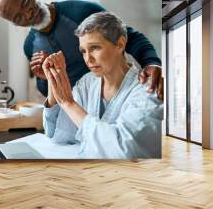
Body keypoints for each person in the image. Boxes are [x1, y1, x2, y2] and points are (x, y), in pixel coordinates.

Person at [0, 0, 163, 100]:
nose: (28, 13)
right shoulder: (29, 46)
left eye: (25, 2)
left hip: (120, 97)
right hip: (78, 113)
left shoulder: (82, 11)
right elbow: (48, 92)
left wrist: (152, 62)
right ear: (15, 24)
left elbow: (129, 37)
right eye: (18, 18)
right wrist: (45, 78)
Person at [42, 12, 163, 159]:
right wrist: (53, 84)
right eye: (83, 51)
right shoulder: (87, 83)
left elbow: (126, 151)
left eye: (95, 48)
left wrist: (68, 103)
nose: (88, 59)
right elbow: (60, 135)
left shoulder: (147, 89)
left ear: (120, 44)